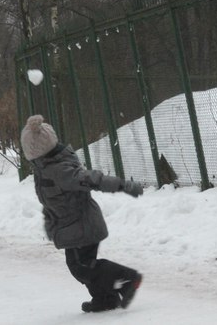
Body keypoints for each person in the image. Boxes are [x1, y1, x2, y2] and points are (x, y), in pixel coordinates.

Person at [20, 115, 143, 313]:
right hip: (74, 226)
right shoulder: (46, 169)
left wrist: (122, 185)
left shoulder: (59, 170)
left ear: (35, 153)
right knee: (85, 266)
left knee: (81, 267)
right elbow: (52, 200)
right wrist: (50, 222)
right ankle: (105, 299)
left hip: (81, 226)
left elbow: (93, 179)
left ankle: (127, 278)